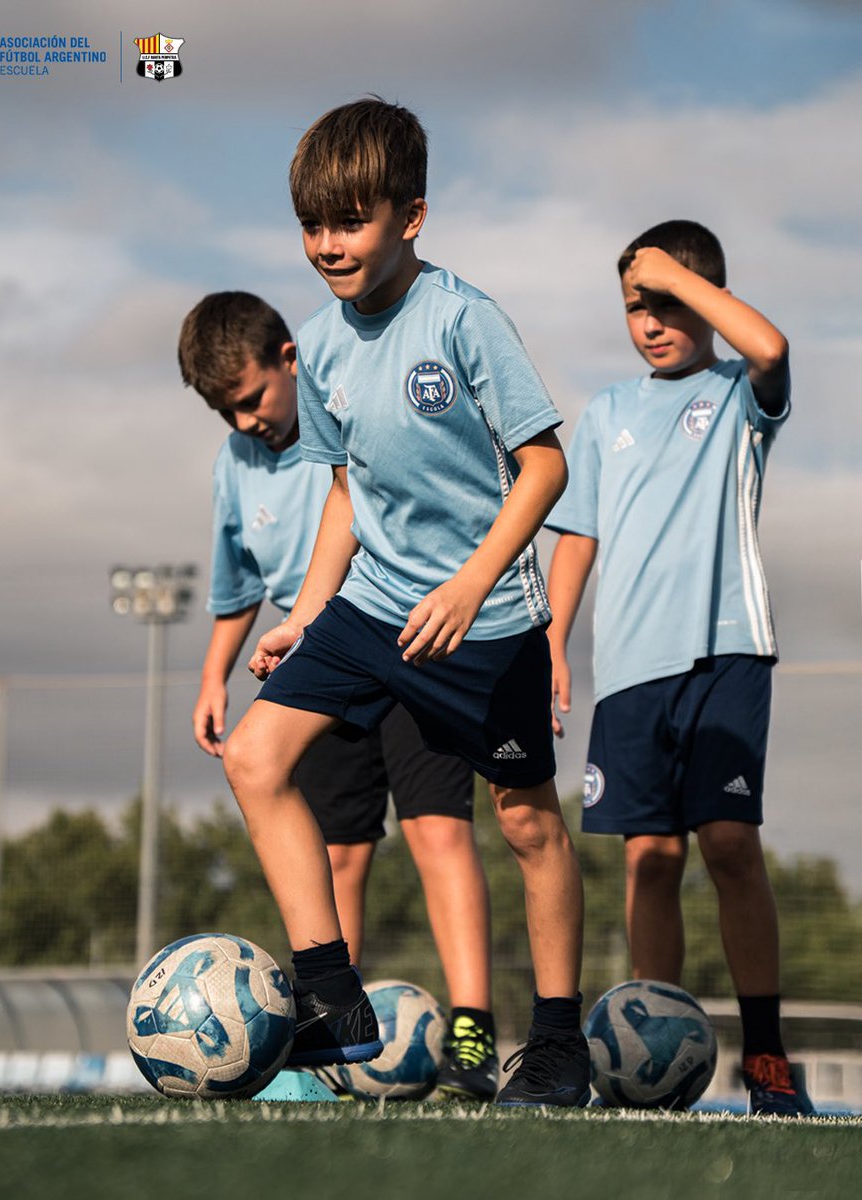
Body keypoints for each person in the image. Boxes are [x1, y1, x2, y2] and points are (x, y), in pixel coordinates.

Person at [221, 97, 589, 1108]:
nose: (328, 246)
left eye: (351, 221)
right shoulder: (317, 343)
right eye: (313, 226)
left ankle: (557, 1045)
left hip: (487, 625)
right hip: (369, 609)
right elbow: (348, 490)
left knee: (526, 824)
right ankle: (332, 994)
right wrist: (304, 610)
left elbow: (546, 467)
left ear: (410, 216)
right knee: (254, 758)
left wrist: (474, 583)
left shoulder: (465, 319)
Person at [178, 290, 498, 1100]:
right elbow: (238, 586)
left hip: (407, 636)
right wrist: (214, 673)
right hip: (319, 662)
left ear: (289, 359)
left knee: (437, 834)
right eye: (226, 411)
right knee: (339, 851)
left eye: (250, 398)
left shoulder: (345, 418)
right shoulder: (233, 466)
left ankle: (472, 1032)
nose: (245, 421)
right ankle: (333, 1035)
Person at [545, 219, 814, 1116]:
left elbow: (768, 341)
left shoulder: (742, 391)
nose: (651, 321)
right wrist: (553, 639)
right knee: (649, 859)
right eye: (635, 306)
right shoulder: (608, 413)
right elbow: (577, 537)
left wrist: (678, 277)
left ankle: (768, 1058)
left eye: (667, 302)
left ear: (703, 298)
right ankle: (649, 1052)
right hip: (628, 669)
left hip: (726, 651)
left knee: (730, 846)